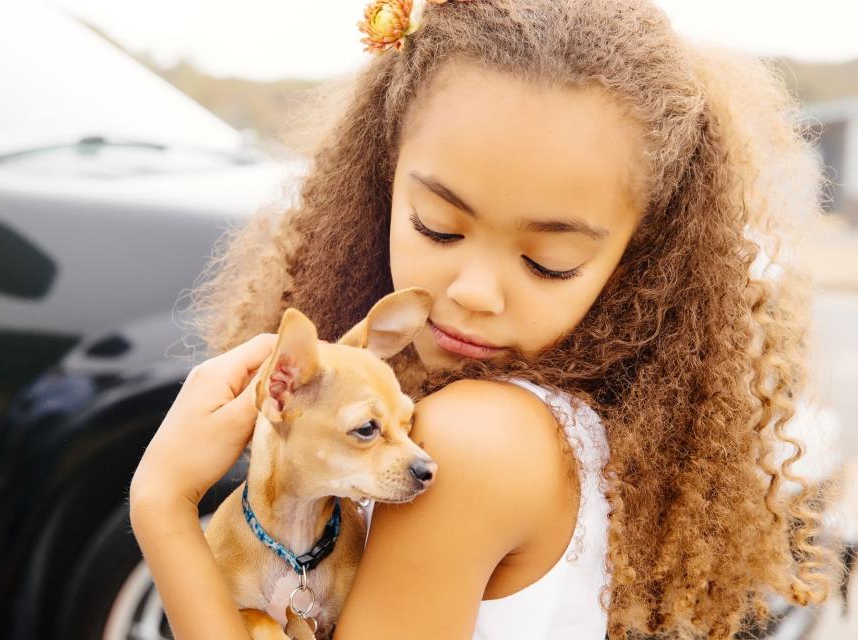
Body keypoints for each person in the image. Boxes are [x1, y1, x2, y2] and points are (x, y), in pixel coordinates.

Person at [128, 1, 843, 638]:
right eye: (438, 227)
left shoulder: (471, 445)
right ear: (382, 180)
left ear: (637, 260)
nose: (474, 293)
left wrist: (162, 505)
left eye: (548, 262)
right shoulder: (585, 431)